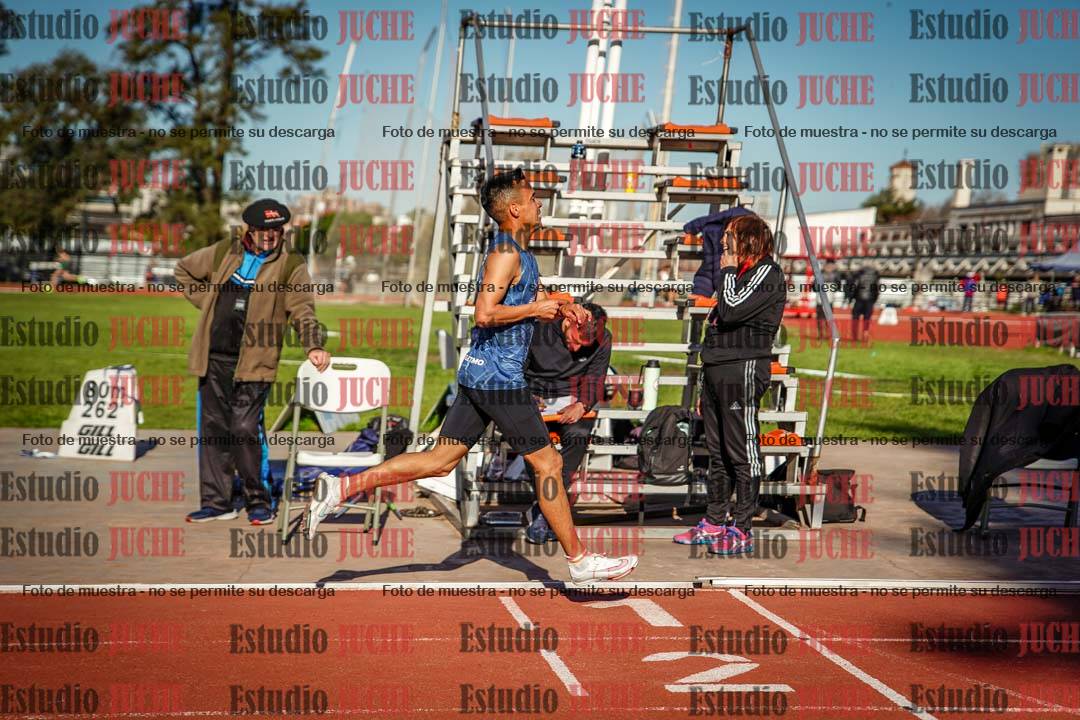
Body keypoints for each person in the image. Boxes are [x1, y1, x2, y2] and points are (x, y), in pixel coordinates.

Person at [307, 169, 638, 583]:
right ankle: (580, 560)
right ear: (514, 209)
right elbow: (484, 313)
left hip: (482, 376)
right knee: (549, 463)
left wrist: (563, 304)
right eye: (532, 199)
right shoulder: (505, 253)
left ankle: (340, 488)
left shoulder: (522, 253)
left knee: (439, 461)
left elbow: (532, 296)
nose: (539, 204)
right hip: (500, 380)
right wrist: (536, 310)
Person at [175, 199, 330, 525]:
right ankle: (217, 502)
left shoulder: (291, 263)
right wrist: (209, 302)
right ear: (250, 230)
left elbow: (302, 308)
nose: (271, 236)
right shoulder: (224, 251)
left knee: (245, 429)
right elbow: (184, 270)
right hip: (213, 358)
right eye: (263, 230)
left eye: (277, 230)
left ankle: (259, 500)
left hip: (256, 362)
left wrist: (313, 345)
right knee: (214, 431)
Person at [673, 213, 786, 555]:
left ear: (747, 241)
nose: (722, 246)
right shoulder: (736, 274)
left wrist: (725, 271)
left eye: (728, 241)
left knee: (742, 452)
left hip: (743, 369)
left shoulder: (766, 272)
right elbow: (719, 321)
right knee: (718, 453)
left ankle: (742, 528)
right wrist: (705, 379)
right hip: (717, 369)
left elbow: (733, 310)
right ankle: (713, 522)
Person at [522, 302, 612, 544]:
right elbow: (515, 368)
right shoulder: (539, 328)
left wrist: (582, 404)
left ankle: (544, 510)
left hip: (571, 398)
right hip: (533, 395)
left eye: (583, 346)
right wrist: (526, 397)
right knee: (534, 440)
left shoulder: (602, 338)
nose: (576, 349)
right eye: (574, 341)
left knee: (579, 435)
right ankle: (550, 510)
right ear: (569, 321)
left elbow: (596, 377)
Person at [846, 263, 880, 343]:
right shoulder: (875, 276)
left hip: (859, 300)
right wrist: (874, 300)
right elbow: (877, 289)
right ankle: (865, 335)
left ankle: (854, 336)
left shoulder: (859, 275)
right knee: (867, 319)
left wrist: (850, 299)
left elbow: (854, 287)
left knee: (855, 318)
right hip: (869, 300)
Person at [813, 259, 840, 341]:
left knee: (827, 318)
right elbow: (814, 287)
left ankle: (826, 334)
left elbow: (838, 286)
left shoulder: (834, 275)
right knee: (821, 318)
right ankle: (821, 334)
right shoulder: (820, 274)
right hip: (821, 300)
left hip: (828, 300)